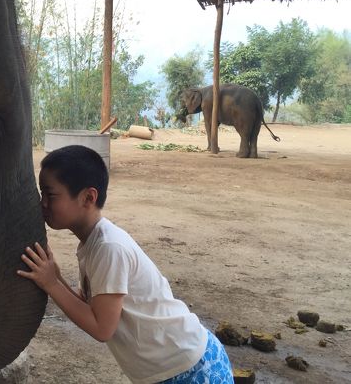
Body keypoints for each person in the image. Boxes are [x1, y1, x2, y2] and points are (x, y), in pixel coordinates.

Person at [17, 145, 234, 384]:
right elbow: (92, 309)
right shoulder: (92, 244)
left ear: (88, 197)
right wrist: (56, 278)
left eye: (51, 195)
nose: (43, 203)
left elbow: (102, 328)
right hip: (172, 368)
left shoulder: (110, 248)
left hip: (190, 370)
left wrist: (51, 285)